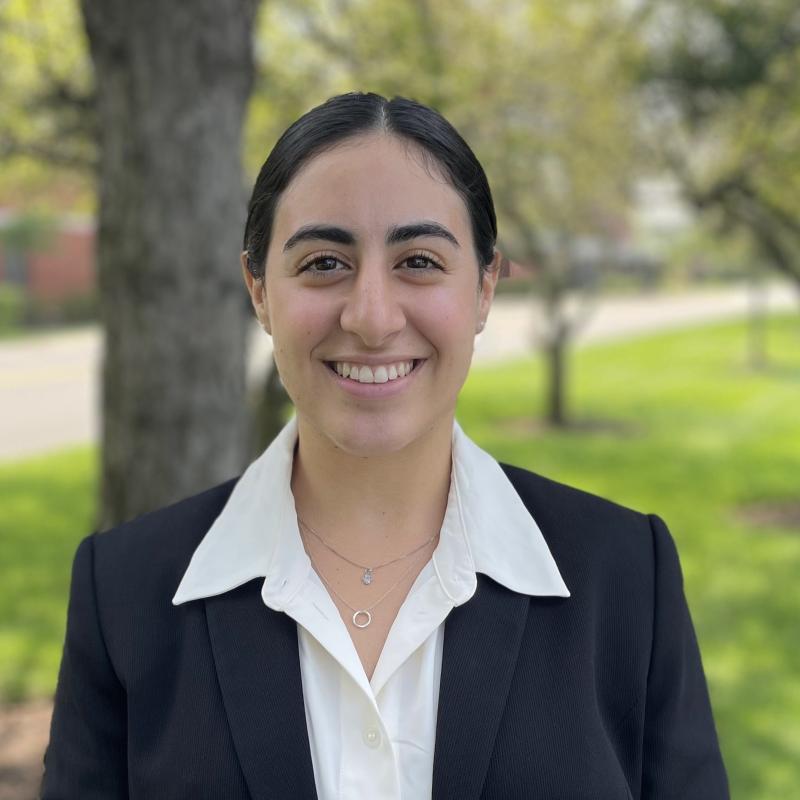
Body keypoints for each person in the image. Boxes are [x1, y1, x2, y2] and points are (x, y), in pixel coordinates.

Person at [41, 92, 729, 799]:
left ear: (486, 286)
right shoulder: (125, 592)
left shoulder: (625, 576)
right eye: (323, 263)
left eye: (420, 261)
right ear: (258, 290)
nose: (372, 318)